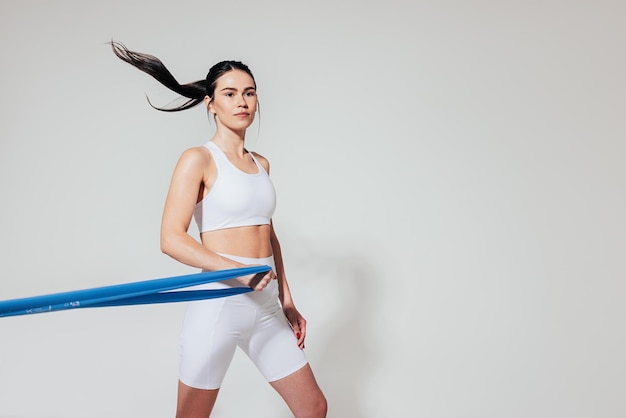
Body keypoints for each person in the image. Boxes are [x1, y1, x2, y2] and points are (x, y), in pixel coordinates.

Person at [110, 41, 327, 418]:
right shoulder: (198, 159)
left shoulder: (262, 164)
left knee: (313, 407)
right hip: (219, 304)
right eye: (229, 94)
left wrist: (286, 299)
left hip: (264, 302)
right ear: (211, 104)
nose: (241, 101)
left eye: (249, 93)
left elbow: (269, 235)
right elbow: (171, 239)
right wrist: (239, 273)